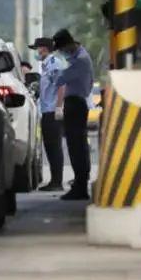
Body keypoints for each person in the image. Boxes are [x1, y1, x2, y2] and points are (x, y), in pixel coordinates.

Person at [53, 28, 94, 201]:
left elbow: (59, 79)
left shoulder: (80, 61)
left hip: (76, 104)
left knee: (77, 147)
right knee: (76, 145)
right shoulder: (77, 57)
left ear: (68, 45)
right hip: (75, 103)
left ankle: (80, 186)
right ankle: (79, 182)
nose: (61, 52)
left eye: (61, 49)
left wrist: (58, 71)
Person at [29, 36, 66, 192]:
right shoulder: (46, 66)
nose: (37, 52)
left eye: (37, 49)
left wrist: (59, 107)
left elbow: (61, 86)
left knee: (54, 147)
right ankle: (54, 180)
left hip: (52, 112)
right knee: (50, 147)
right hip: (47, 111)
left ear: (44, 48)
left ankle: (57, 182)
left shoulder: (53, 64)